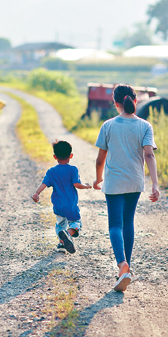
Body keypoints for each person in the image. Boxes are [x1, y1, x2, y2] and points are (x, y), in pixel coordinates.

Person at [93, 84, 159, 292]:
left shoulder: (108, 125)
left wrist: (97, 179)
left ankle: (122, 265)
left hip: (113, 182)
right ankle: (126, 269)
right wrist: (155, 184)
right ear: (135, 101)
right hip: (134, 181)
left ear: (115, 103)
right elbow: (149, 155)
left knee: (115, 224)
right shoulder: (145, 126)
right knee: (128, 221)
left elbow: (100, 158)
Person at [32, 140, 92, 254]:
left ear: (55, 157)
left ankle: (62, 243)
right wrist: (86, 186)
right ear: (71, 155)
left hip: (58, 205)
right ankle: (68, 234)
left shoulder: (52, 171)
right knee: (76, 222)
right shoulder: (73, 169)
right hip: (71, 205)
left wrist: (36, 193)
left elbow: (44, 184)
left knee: (60, 224)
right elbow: (76, 184)